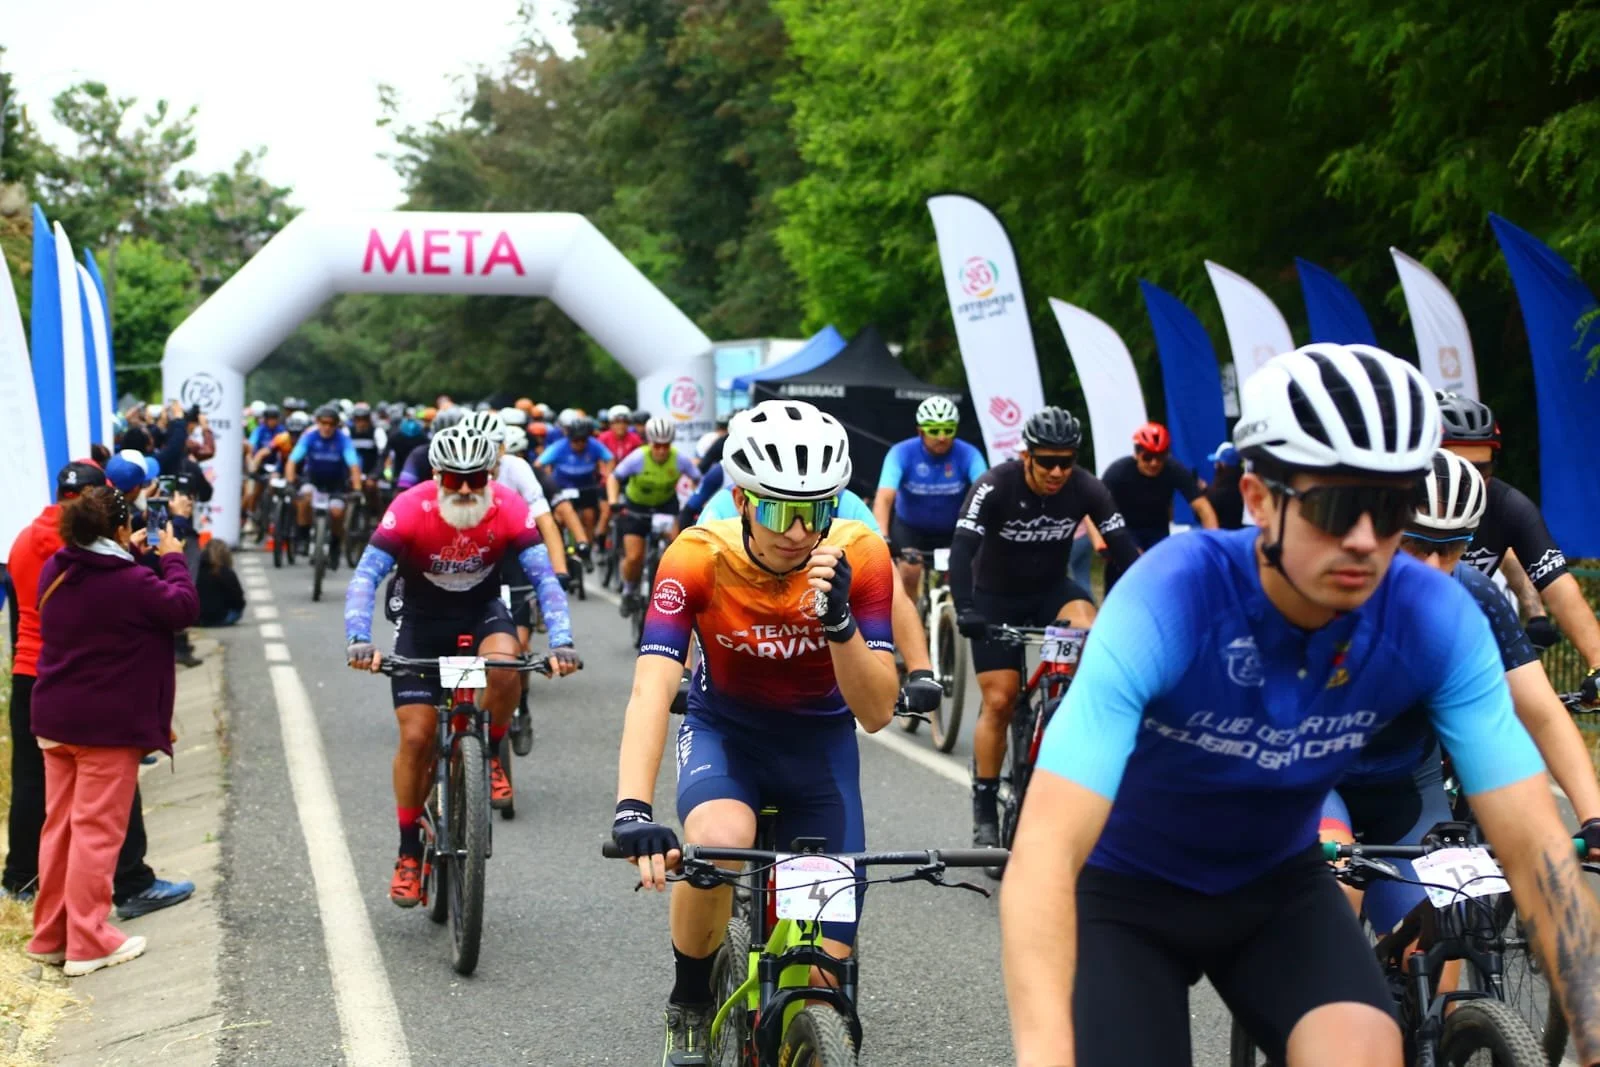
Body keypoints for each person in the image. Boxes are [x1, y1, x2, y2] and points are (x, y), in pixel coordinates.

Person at [1001, 343, 1600, 1067]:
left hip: (1276, 886)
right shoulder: (1175, 594)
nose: (1363, 539)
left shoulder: (1434, 617)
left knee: (1368, 1050)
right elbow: (1041, 854)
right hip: (1127, 895)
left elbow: (1538, 853)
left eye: (1390, 509)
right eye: (1335, 505)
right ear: (1257, 498)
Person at [608, 400, 898, 1063]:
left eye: (818, 509)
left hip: (818, 751)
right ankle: (687, 1000)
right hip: (727, 736)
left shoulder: (859, 553)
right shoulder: (697, 556)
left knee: (821, 979)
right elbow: (653, 686)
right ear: (738, 497)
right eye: (777, 510)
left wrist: (840, 626)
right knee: (719, 846)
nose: (799, 532)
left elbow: (878, 711)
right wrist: (632, 807)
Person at [1318, 449, 1600, 996]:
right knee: (1334, 901)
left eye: (1448, 549)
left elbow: (1540, 713)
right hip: (1321, 782)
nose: (1431, 566)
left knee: (1440, 966)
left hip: (1407, 786)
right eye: (1416, 544)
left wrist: (1592, 816)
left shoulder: (1472, 597)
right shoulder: (1332, 592)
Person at [343, 426, 580, 905]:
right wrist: (359, 639)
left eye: (476, 477)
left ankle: (489, 755)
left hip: (481, 614)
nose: (467, 489)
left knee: (506, 664)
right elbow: (366, 575)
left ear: (491, 473)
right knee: (417, 736)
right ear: (437, 475)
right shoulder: (409, 508)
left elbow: (545, 582)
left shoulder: (509, 508)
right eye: (455, 479)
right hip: (422, 622)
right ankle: (409, 852)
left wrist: (563, 642)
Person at [3, 461, 195, 918]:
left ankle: (22, 884)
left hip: (35, 675)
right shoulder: (109, 570)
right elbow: (161, 605)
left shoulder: (32, 544)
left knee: (45, 803)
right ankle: (122, 892)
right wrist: (163, 557)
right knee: (103, 816)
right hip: (94, 685)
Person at [949, 406, 1141, 849]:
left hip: (1052, 591)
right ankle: (983, 806)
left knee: (1087, 625)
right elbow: (962, 549)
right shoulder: (995, 485)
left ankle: (1063, 713)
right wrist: (964, 607)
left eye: (1066, 461)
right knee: (998, 700)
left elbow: (1124, 552)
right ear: (1027, 455)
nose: (1057, 471)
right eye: (1047, 461)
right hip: (994, 597)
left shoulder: (1087, 488)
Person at [1436, 391, 1600, 702]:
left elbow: (1559, 586)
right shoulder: (1392, 506)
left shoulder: (1509, 507)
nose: (1470, 480)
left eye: (1481, 469)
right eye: (1457, 467)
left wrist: (1598, 664)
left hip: (1464, 653)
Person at [872, 395, 988, 601]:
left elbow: (987, 495)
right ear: (920, 431)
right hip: (910, 529)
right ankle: (911, 617)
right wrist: (881, 537)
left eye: (948, 430)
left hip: (953, 529)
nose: (942, 437)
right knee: (909, 571)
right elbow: (884, 498)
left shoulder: (969, 454)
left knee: (963, 573)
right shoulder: (901, 453)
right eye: (934, 431)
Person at [606, 416, 701, 613]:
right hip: (636, 507)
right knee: (634, 557)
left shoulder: (679, 459)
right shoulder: (638, 458)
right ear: (650, 443)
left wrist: (695, 498)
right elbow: (614, 478)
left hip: (665, 507)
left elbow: (697, 479)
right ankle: (629, 590)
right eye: (657, 446)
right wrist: (613, 501)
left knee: (676, 550)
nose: (661, 451)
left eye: (665, 446)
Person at [1099, 422, 1218, 562]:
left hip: (1158, 529)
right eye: (1147, 457)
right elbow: (1097, 508)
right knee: (1129, 565)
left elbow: (1203, 507)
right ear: (1136, 454)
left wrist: (1214, 542)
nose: (1154, 463)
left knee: (1160, 567)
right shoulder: (1118, 472)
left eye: (1160, 457)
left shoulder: (1174, 469)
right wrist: (1102, 542)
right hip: (1125, 528)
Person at [285, 403, 363, 560]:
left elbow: (354, 466)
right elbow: (292, 461)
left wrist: (357, 489)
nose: (327, 427)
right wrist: (289, 482)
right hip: (313, 480)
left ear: (336, 425)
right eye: (323, 423)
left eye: (331, 424)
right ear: (317, 422)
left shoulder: (343, 440)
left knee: (337, 514)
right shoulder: (309, 437)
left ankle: (335, 543)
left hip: (336, 484)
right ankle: (303, 536)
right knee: (304, 498)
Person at [535, 414, 614, 545]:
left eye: (583, 440)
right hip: (562, 487)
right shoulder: (559, 447)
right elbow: (538, 464)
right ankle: (560, 545)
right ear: (569, 438)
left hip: (586, 486)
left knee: (590, 517)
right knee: (560, 518)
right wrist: (545, 481)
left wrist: (607, 476)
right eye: (576, 440)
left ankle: (586, 547)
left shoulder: (594, 445)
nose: (580, 444)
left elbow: (610, 459)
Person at [196, 539, 247, 626]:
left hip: (198, 618)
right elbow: (238, 599)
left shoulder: (197, 569)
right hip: (220, 617)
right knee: (237, 611)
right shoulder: (226, 572)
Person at [1204, 440, 1246, 529]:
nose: (1215, 466)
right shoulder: (1246, 488)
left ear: (1222, 465)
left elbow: (1202, 515)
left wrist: (1203, 493)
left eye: (1217, 463)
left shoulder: (1218, 493)